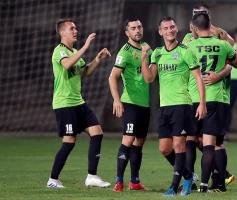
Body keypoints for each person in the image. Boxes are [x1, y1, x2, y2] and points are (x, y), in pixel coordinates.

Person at [188, 12, 237, 193]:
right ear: (210, 26)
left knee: (190, 141)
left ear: (194, 27)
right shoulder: (223, 45)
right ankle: (207, 184)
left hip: (193, 99)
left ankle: (189, 182)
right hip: (215, 99)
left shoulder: (189, 47)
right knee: (211, 143)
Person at [141, 16, 207, 196]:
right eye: (166, 28)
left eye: (172, 27)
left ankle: (173, 187)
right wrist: (143, 58)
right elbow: (149, 78)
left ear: (176, 29)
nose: (169, 30)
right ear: (160, 32)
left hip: (182, 105)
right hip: (164, 107)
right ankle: (188, 175)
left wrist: (201, 103)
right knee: (164, 148)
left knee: (179, 146)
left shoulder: (186, 52)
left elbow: (198, 79)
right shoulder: (157, 53)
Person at [46, 19, 111, 188]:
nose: (75, 31)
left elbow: (86, 71)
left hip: (78, 102)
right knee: (69, 141)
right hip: (64, 104)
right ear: (62, 33)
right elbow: (67, 64)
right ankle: (53, 179)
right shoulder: (59, 51)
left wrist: (97, 58)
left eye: (75, 27)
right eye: (71, 28)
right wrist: (86, 47)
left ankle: (92, 176)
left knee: (97, 133)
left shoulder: (73, 51)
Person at [182, 4, 235, 192]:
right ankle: (217, 176)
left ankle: (218, 179)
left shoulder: (219, 36)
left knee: (213, 142)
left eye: (201, 14)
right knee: (198, 139)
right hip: (197, 96)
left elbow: (232, 58)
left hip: (217, 93)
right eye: (195, 14)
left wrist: (218, 76)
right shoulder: (187, 39)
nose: (198, 17)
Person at [108, 17, 152, 192]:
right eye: (133, 28)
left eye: (139, 27)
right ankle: (119, 181)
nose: (138, 30)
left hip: (144, 105)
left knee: (139, 141)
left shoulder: (147, 48)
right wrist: (117, 99)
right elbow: (112, 77)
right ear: (127, 33)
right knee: (128, 139)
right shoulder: (124, 52)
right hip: (130, 103)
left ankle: (135, 181)